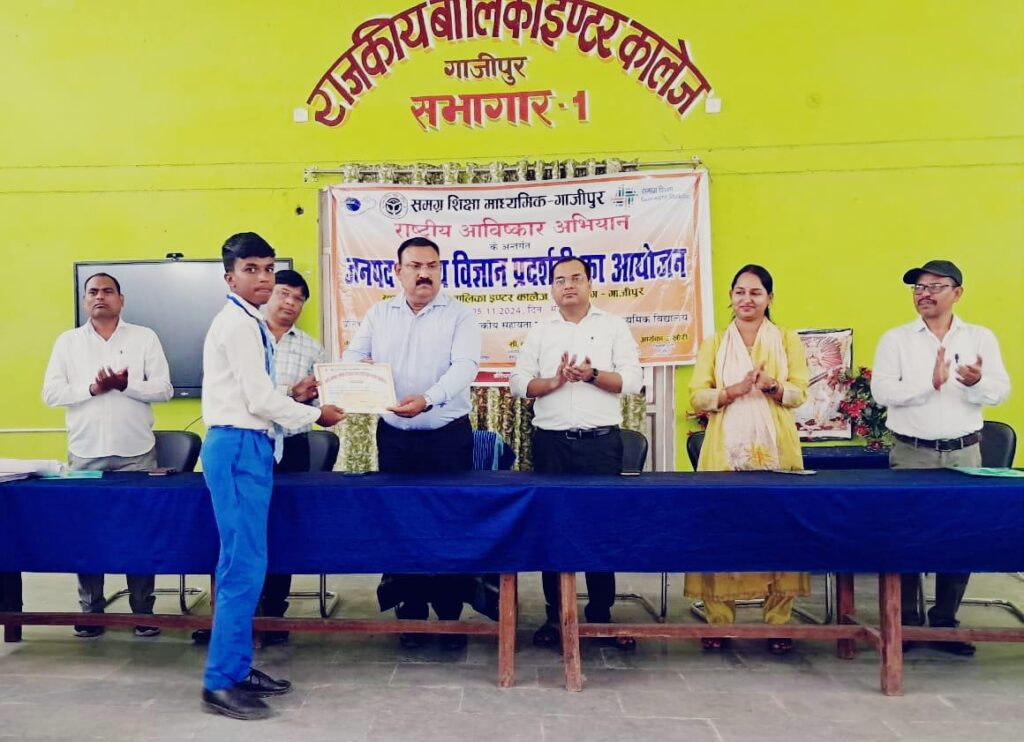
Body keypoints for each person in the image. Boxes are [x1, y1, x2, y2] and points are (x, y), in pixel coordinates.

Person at [199, 232, 345, 720]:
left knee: (248, 562)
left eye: (268, 268)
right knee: (241, 566)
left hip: (252, 445)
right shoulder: (238, 325)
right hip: (238, 446)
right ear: (230, 277)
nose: (263, 278)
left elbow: (260, 397)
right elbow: (260, 400)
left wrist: (299, 405)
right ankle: (220, 682)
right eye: (251, 270)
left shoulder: (249, 321)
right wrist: (317, 414)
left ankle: (237, 667)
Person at [341, 236, 481, 651]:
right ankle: (411, 610)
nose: (424, 274)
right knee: (401, 522)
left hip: (447, 437)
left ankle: (450, 614)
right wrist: (360, 374)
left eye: (432, 266)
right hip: (396, 439)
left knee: (449, 523)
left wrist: (429, 399)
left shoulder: (460, 315)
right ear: (398, 272)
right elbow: (352, 357)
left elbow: (466, 367)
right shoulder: (379, 314)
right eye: (416, 266)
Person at [871, 259, 1010, 657]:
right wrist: (926, 384)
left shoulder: (980, 337)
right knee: (906, 536)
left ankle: (946, 620)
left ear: (957, 293)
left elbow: (1001, 391)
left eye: (935, 286)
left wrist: (977, 382)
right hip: (911, 452)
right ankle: (907, 622)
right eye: (918, 287)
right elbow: (882, 392)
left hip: (965, 453)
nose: (924, 294)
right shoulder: (896, 339)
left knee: (960, 536)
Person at [510, 256, 644, 651]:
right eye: (560, 280)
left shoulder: (613, 326)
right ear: (552, 289)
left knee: (600, 528)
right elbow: (518, 384)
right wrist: (553, 382)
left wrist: (592, 375)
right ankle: (555, 616)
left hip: (601, 444)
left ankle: (600, 614)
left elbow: (633, 380)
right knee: (552, 529)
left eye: (576, 278)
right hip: (551, 444)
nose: (568, 285)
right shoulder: (540, 331)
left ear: (589, 284)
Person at [191, 269, 327, 647]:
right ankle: (228, 632)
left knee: (273, 536)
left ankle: (269, 620)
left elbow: (312, 396)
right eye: (284, 293)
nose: (289, 302)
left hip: (286, 446)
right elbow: (256, 397)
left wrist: (314, 401)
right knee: (237, 543)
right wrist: (297, 400)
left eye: (298, 298)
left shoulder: (310, 347)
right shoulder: (244, 330)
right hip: (244, 444)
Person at [685, 264, 810, 654]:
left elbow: (800, 392)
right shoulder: (715, 343)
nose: (747, 299)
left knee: (779, 529)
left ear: (770, 298)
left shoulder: (787, 339)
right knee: (722, 529)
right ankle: (719, 620)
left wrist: (772, 386)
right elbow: (697, 395)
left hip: (777, 449)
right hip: (724, 450)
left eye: (756, 292)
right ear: (730, 297)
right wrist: (732, 391)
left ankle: (778, 622)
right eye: (740, 292)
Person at [42, 272, 173, 639]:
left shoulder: (144, 337)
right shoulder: (68, 342)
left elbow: (164, 389)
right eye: (93, 292)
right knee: (87, 534)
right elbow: (50, 393)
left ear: (121, 299)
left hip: (136, 453)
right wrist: (93, 388)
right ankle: (91, 610)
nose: (100, 297)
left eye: (108, 291)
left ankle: (143, 611)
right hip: (85, 453)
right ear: (85, 300)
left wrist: (125, 386)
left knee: (140, 532)